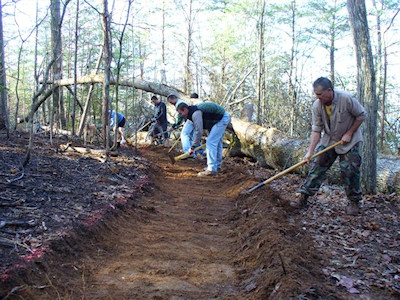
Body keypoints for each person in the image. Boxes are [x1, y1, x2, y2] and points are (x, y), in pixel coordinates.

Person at [292, 77, 367, 215]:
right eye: (316, 94)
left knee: (350, 170)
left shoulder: (346, 99)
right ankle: (303, 197)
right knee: (317, 166)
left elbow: (361, 115)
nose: (317, 96)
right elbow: (316, 130)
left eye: (320, 94)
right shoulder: (317, 105)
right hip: (329, 140)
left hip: (349, 141)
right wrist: (310, 152)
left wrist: (349, 133)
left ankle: (354, 202)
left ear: (329, 90)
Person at [177, 101, 230, 177]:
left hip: (221, 118)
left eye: (180, 113)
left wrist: (193, 147)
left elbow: (199, 132)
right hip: (215, 120)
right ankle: (217, 167)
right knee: (216, 143)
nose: (180, 115)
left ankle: (212, 169)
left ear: (185, 110)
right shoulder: (192, 112)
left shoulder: (195, 114)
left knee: (211, 142)